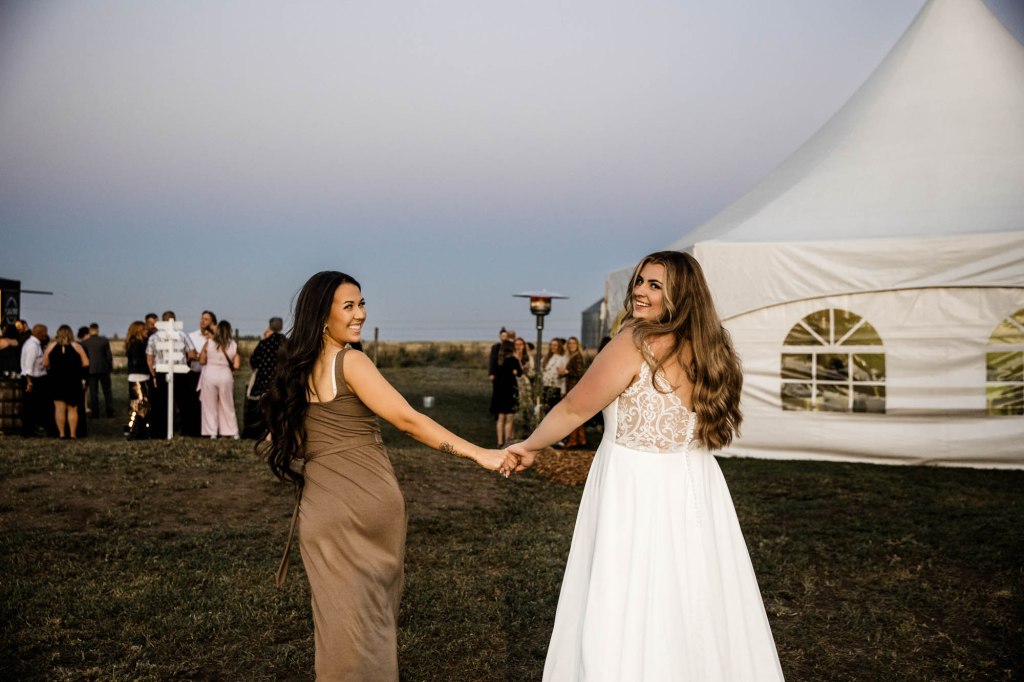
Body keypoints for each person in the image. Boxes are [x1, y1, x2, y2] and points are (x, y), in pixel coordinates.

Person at [508, 251, 785, 681]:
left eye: (655, 285)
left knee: (629, 594)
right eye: (640, 280)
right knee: (694, 594)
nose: (639, 290)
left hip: (634, 485)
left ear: (680, 294)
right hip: (697, 485)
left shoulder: (635, 341)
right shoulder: (709, 348)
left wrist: (529, 445)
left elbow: (572, 409)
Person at [263, 271, 508, 680]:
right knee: (371, 624)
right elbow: (408, 421)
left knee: (338, 627)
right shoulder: (351, 362)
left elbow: (292, 442)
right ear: (323, 316)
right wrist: (479, 453)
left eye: (361, 304)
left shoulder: (297, 370)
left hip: (319, 513)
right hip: (365, 507)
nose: (360, 313)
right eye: (349, 306)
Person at [242, 316, 286, 439]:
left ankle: (261, 433)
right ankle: (275, 434)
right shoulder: (287, 344)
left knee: (261, 410)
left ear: (270, 327)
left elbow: (254, 361)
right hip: (281, 382)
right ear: (281, 327)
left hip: (263, 381)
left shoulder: (264, 343)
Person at [43, 325, 90, 439]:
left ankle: (62, 433)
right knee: (73, 408)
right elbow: (86, 363)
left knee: (59, 408)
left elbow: (44, 363)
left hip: (56, 380)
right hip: (73, 380)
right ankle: (73, 434)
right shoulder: (77, 346)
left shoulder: (51, 347)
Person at [198, 319, 240, 439]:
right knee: (228, 404)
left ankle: (212, 432)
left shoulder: (209, 343)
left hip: (210, 374)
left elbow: (201, 360)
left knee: (209, 405)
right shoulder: (233, 345)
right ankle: (232, 431)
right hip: (225, 375)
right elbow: (236, 365)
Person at [183, 310, 217, 437]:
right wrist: (197, 357)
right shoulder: (192, 336)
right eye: (202, 318)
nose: (203, 321)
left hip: (209, 374)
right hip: (194, 372)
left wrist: (200, 356)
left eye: (206, 319)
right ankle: (193, 429)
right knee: (192, 403)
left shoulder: (215, 338)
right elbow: (188, 354)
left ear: (212, 322)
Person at [489, 338, 522, 447]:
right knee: (509, 419)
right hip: (510, 391)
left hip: (499, 392)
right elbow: (520, 373)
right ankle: (507, 442)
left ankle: (499, 442)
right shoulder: (513, 360)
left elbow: (492, 375)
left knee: (500, 418)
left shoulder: (497, 361)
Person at [20, 323, 51, 437]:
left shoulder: (34, 344)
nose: (46, 335)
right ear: (40, 334)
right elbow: (29, 366)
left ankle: (31, 429)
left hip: (36, 377)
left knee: (33, 406)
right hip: (33, 379)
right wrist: (29, 382)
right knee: (30, 406)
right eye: (45, 333)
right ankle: (28, 431)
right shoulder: (33, 346)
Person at [124, 321, 152, 439]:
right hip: (138, 376)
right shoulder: (137, 344)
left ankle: (138, 429)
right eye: (144, 329)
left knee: (140, 404)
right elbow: (137, 361)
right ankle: (137, 431)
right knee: (139, 404)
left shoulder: (135, 343)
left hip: (138, 376)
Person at [81, 323, 115, 418]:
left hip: (91, 370)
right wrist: (110, 367)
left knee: (93, 392)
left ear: (89, 330)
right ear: (98, 330)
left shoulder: (85, 343)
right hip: (104, 369)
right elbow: (109, 356)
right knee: (107, 391)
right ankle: (110, 411)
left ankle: (95, 413)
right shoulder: (104, 341)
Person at [560, 336, 588, 448]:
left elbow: (579, 373)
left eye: (573, 343)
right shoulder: (571, 356)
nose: (571, 345)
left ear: (577, 345)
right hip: (571, 388)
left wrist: (567, 371)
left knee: (572, 415)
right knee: (575, 415)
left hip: (574, 389)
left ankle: (573, 440)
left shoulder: (578, 357)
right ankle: (581, 439)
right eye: (569, 343)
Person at [540, 337, 567, 416]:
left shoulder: (562, 358)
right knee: (545, 410)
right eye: (551, 345)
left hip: (555, 387)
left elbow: (563, 376)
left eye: (555, 345)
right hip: (545, 386)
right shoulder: (546, 358)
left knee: (552, 411)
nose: (553, 347)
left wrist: (563, 390)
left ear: (559, 346)